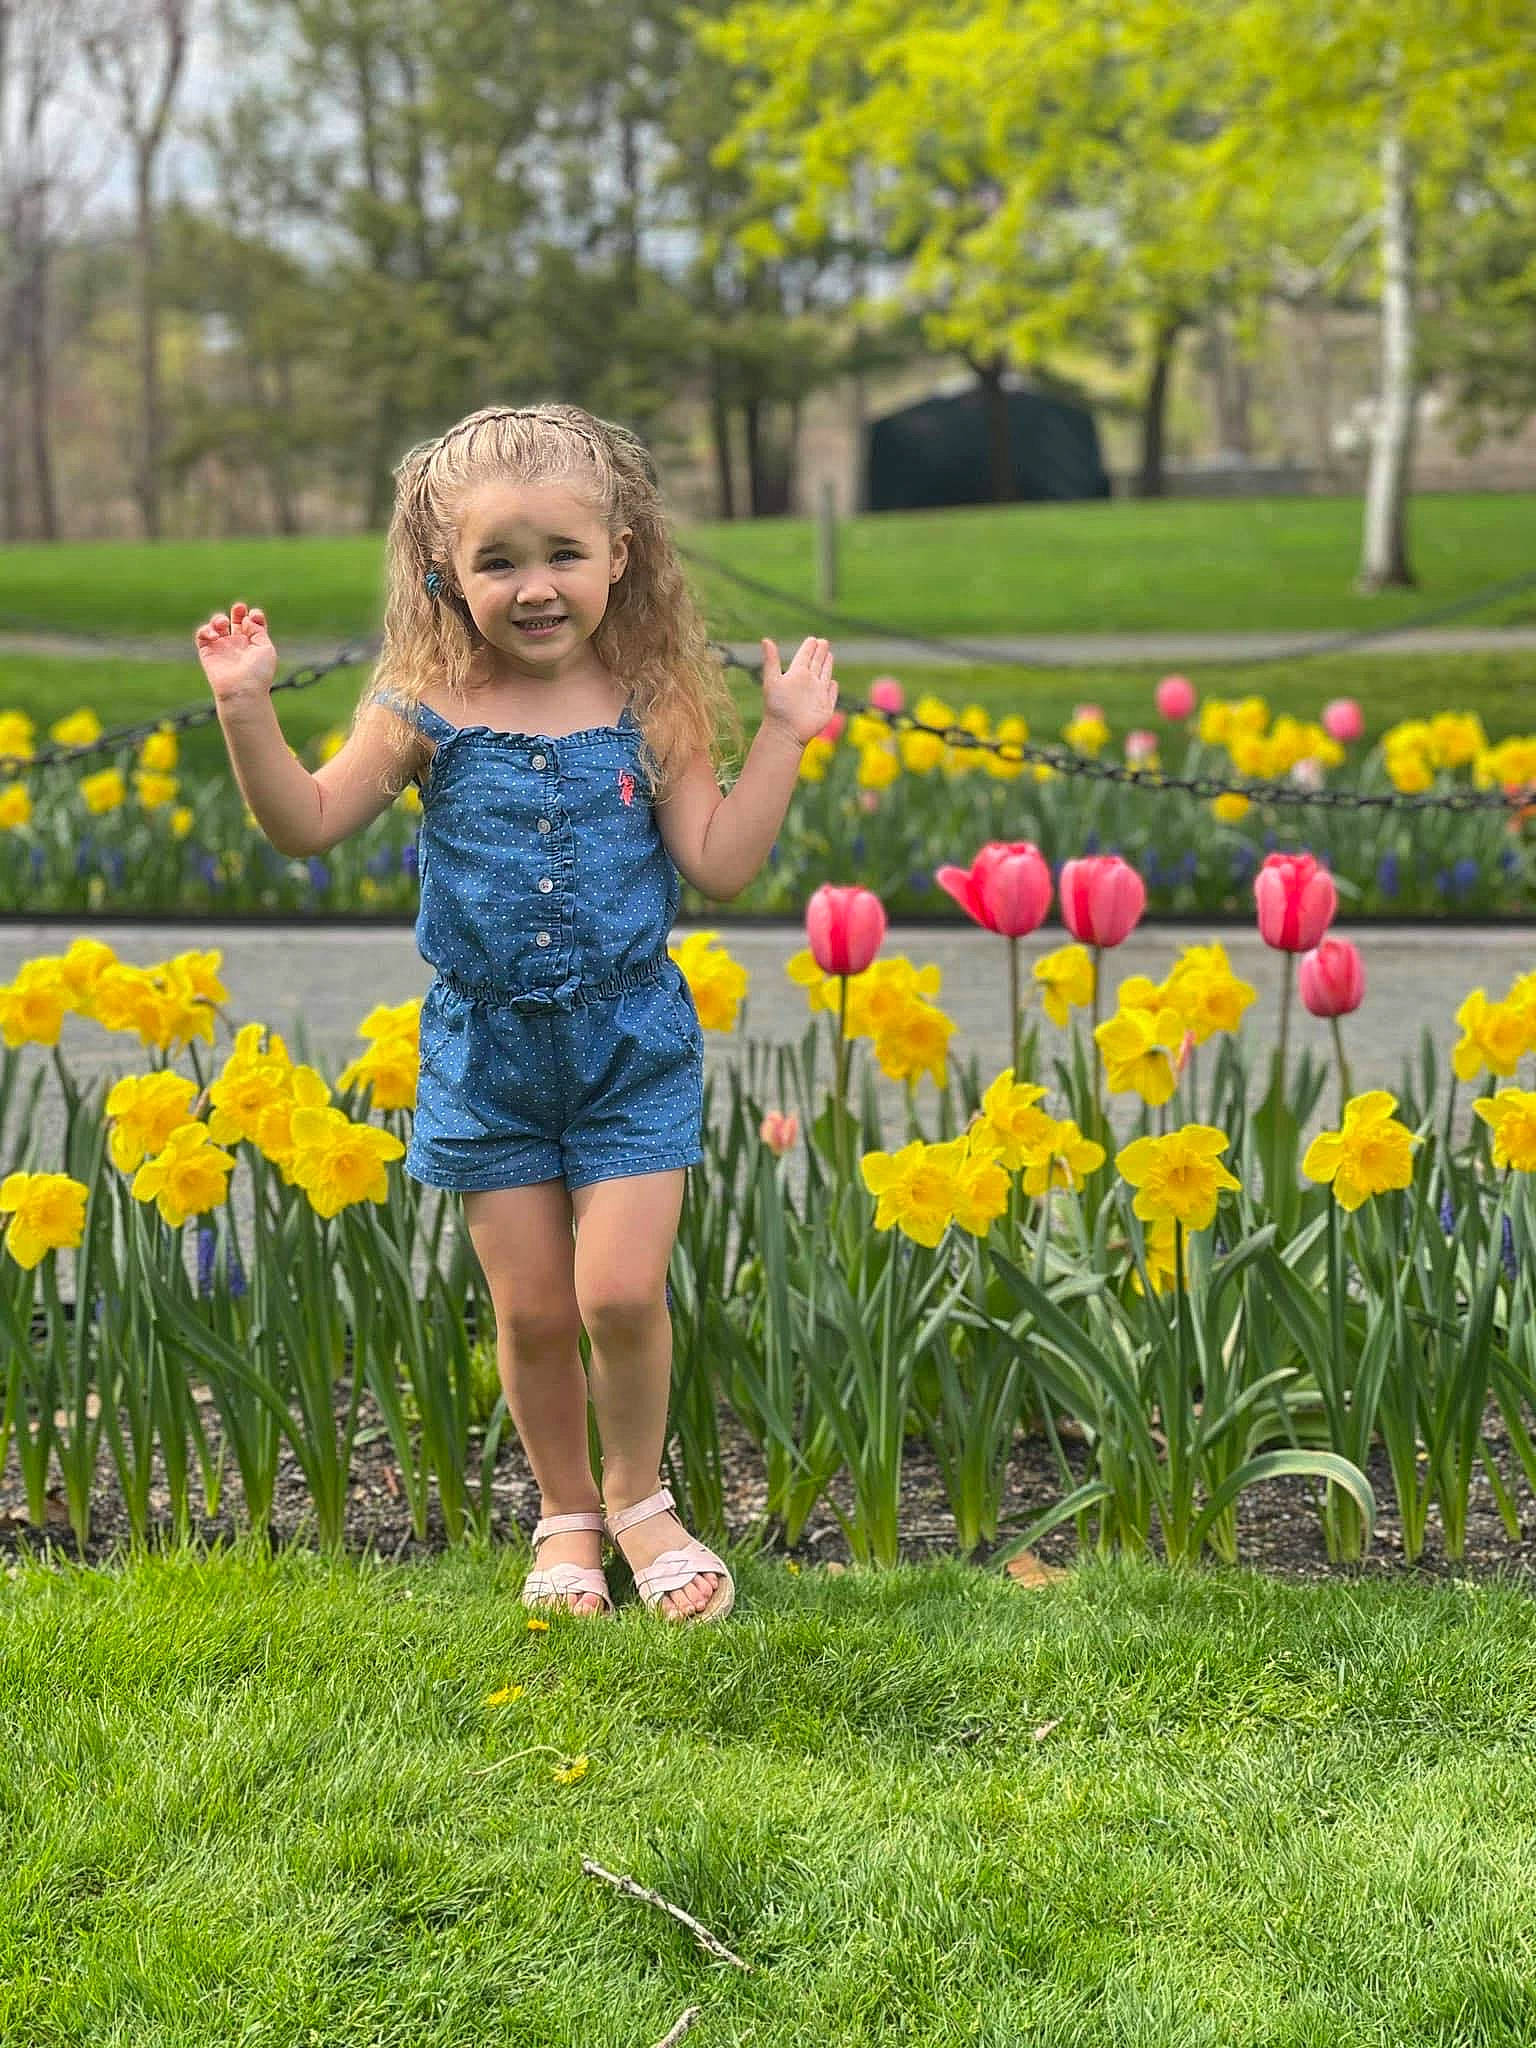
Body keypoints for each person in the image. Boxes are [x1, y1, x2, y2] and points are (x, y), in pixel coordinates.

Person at [194, 401, 838, 1625]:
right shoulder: (423, 702)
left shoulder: (651, 698)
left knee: (618, 1295)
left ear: (622, 553)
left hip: (627, 1044)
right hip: (486, 1051)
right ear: (443, 569)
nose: (535, 587)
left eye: (562, 555)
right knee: (535, 1311)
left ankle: (642, 1497)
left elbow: (720, 861)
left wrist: (789, 740)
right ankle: (565, 1514)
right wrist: (245, 707)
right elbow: (308, 822)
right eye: (498, 560)